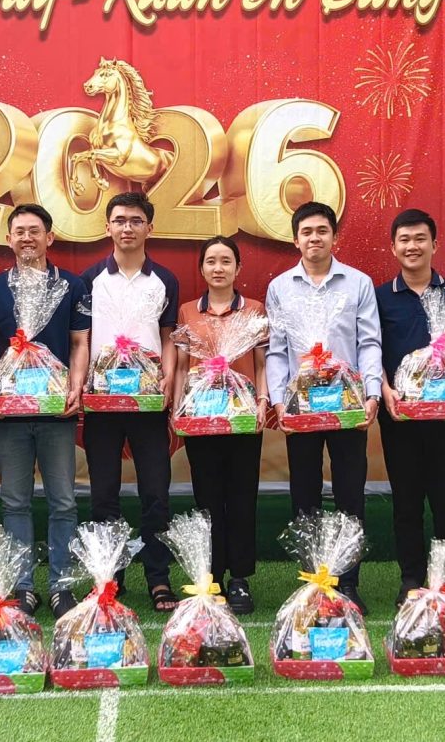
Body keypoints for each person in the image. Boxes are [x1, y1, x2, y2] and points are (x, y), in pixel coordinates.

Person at [265, 201, 383, 614]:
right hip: (300, 407)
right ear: (295, 240)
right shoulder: (280, 287)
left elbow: (369, 342)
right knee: (305, 493)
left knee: (351, 493)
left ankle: (348, 582)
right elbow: (277, 350)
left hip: (348, 405)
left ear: (335, 236)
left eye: (322, 231)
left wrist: (372, 394)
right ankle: (313, 582)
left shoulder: (358, 283)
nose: (314, 238)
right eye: (307, 232)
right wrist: (278, 401)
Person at [0, 203, 90, 618]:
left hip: (57, 414)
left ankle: (62, 586)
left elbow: (79, 343)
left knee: (64, 502)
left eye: (34, 231)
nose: (27, 238)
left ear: (50, 237)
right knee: (14, 502)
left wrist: (76, 387)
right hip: (10, 416)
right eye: (19, 231)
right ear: (8, 239)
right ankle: (22, 587)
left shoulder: (71, 286)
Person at [376, 209, 445, 611]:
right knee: (405, 502)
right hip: (400, 417)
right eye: (404, 239)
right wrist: (386, 391)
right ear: (393, 247)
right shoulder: (380, 298)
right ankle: (410, 579)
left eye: (420, 238)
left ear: (434, 244)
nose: (413, 246)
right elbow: (371, 352)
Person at [80, 192, 181, 612]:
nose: (127, 227)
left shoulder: (165, 280)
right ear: (107, 227)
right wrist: (82, 384)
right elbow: (81, 340)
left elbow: (169, 337)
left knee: (155, 492)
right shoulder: (89, 279)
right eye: (119, 220)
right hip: (102, 405)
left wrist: (168, 377)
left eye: (136, 220)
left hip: (148, 403)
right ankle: (109, 578)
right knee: (103, 494)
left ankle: (158, 578)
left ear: (149, 228)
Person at [172, 235, 268, 614]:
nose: (218, 268)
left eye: (226, 261)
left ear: (238, 268)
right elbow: (182, 366)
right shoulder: (188, 312)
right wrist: (178, 407)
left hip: (243, 419)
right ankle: (210, 576)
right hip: (201, 418)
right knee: (207, 498)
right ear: (201, 268)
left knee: (242, 497)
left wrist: (262, 402)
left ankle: (239, 578)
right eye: (211, 261)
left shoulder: (254, 309)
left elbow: (262, 363)